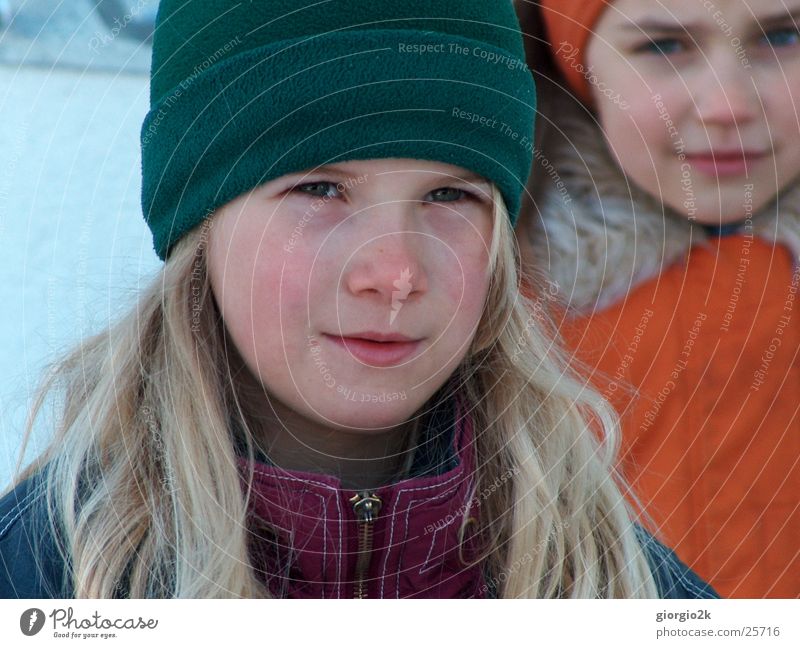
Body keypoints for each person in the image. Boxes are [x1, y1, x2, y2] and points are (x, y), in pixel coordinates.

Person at [0, 0, 717, 599]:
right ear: (199, 219)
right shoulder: (45, 580)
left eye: (448, 195)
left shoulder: (609, 583)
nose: (395, 272)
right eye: (319, 189)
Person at [514, 0, 799, 598]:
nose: (730, 106)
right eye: (663, 46)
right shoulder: (492, 306)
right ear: (579, 68)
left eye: (781, 37)